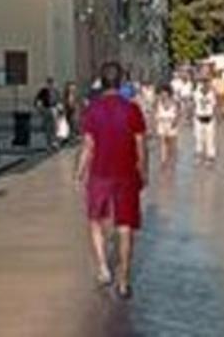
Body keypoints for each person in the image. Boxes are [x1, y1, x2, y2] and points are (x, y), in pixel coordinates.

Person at [75, 62, 147, 299]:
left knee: (96, 220)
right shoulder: (133, 110)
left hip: (99, 174)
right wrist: (143, 171)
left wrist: (79, 172)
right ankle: (124, 280)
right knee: (125, 227)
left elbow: (88, 145)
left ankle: (104, 269)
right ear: (122, 82)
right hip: (126, 175)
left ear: (101, 82)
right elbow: (140, 144)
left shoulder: (92, 110)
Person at [154, 84, 179, 169]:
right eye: (161, 92)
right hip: (162, 123)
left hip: (171, 123)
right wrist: (155, 122)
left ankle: (172, 160)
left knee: (171, 144)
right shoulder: (158, 101)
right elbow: (155, 112)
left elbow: (178, 113)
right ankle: (163, 161)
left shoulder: (174, 101)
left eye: (165, 92)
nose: (163, 94)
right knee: (162, 143)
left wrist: (175, 121)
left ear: (168, 92)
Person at [194, 83, 218, 165]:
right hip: (199, 118)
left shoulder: (212, 94)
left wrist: (216, 117)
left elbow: (214, 106)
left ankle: (210, 157)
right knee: (199, 138)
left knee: (210, 138)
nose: (205, 88)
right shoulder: (196, 94)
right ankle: (199, 156)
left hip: (209, 118)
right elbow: (193, 104)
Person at [34, 78, 60, 151]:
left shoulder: (56, 91)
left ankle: (54, 143)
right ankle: (49, 144)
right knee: (48, 128)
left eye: (52, 84)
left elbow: (59, 100)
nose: (50, 85)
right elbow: (37, 100)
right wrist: (40, 109)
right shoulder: (43, 91)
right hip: (46, 109)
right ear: (47, 84)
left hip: (54, 109)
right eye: (49, 84)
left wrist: (59, 108)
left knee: (55, 127)